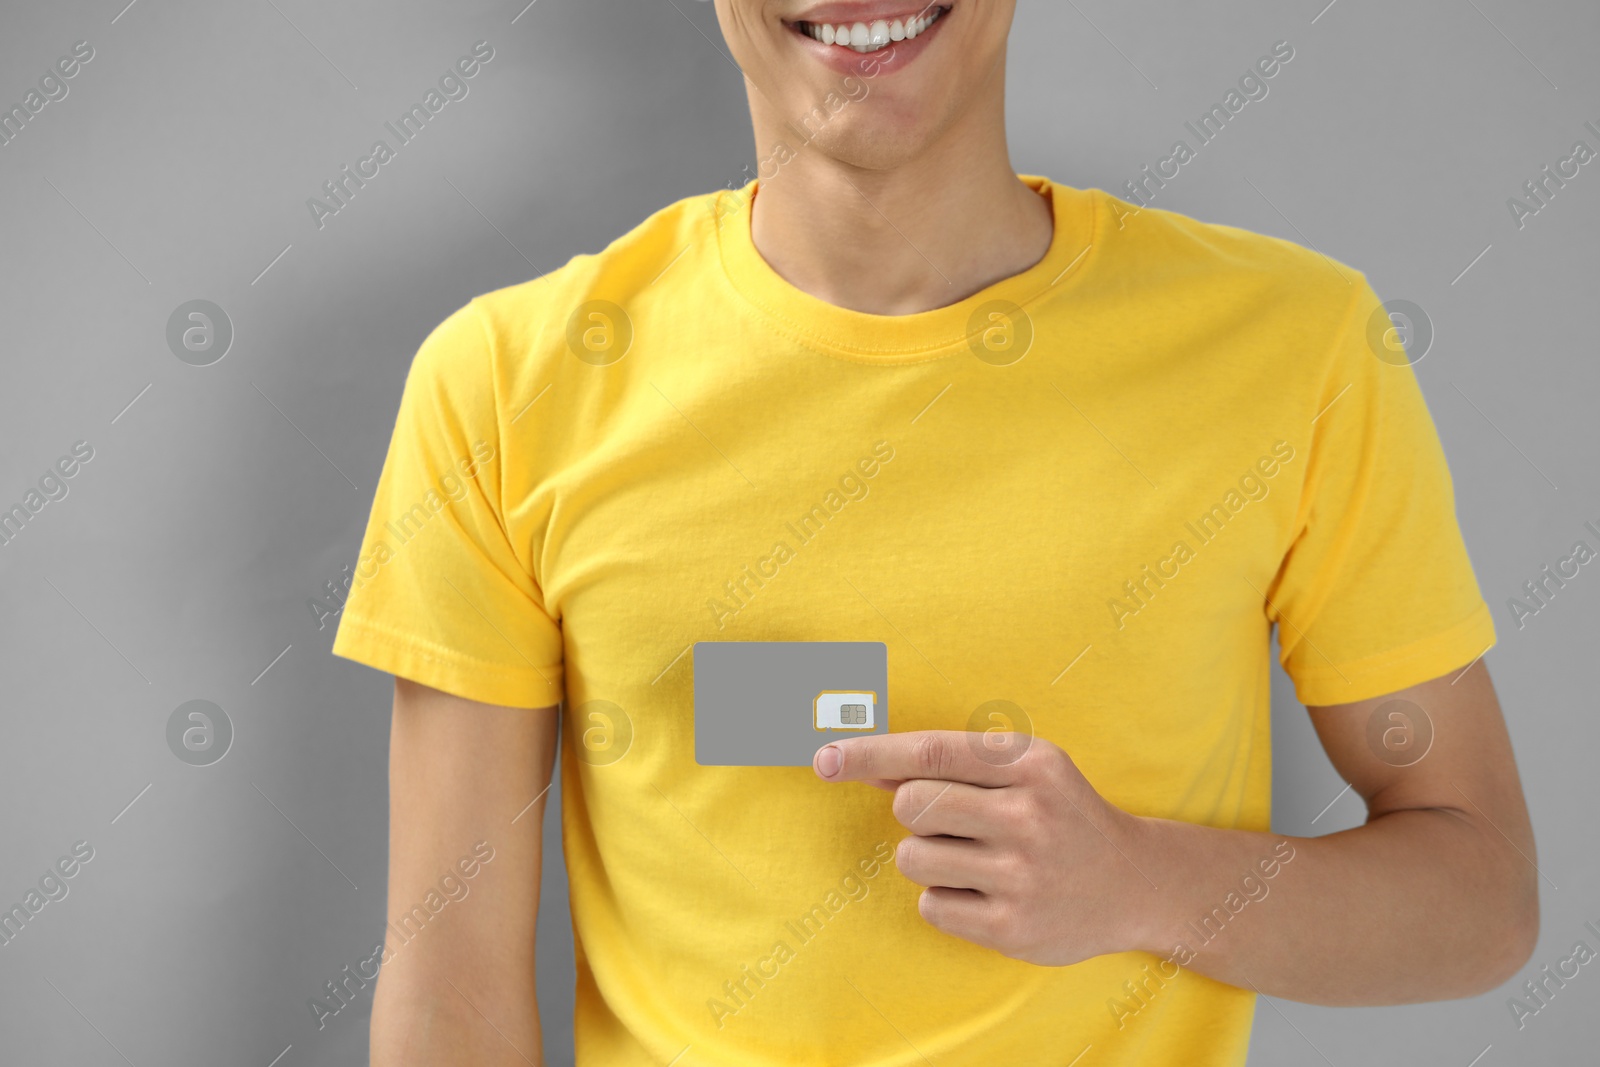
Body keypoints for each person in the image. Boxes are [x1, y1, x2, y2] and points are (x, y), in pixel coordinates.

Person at [332, 2, 1538, 1063]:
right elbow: (452, 988)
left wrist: (1143, 882)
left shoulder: (1299, 345)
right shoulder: (500, 383)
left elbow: (1481, 895)